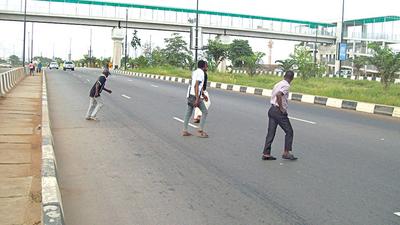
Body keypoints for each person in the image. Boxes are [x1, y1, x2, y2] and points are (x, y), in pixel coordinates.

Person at [262, 70, 297, 161]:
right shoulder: (286, 85)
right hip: (278, 111)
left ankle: (266, 153)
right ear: (292, 78)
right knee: (289, 131)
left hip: (272, 110)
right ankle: (286, 152)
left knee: (271, 133)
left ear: (284, 76)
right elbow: (278, 95)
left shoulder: (278, 84)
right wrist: (281, 108)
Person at [182, 60, 209, 138]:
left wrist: (203, 95)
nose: (207, 67)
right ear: (203, 66)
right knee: (205, 112)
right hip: (195, 96)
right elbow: (196, 85)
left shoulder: (195, 72)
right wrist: (197, 99)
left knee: (188, 113)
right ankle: (200, 131)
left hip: (190, 94)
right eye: (206, 65)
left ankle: (185, 130)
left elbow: (194, 85)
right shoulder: (201, 73)